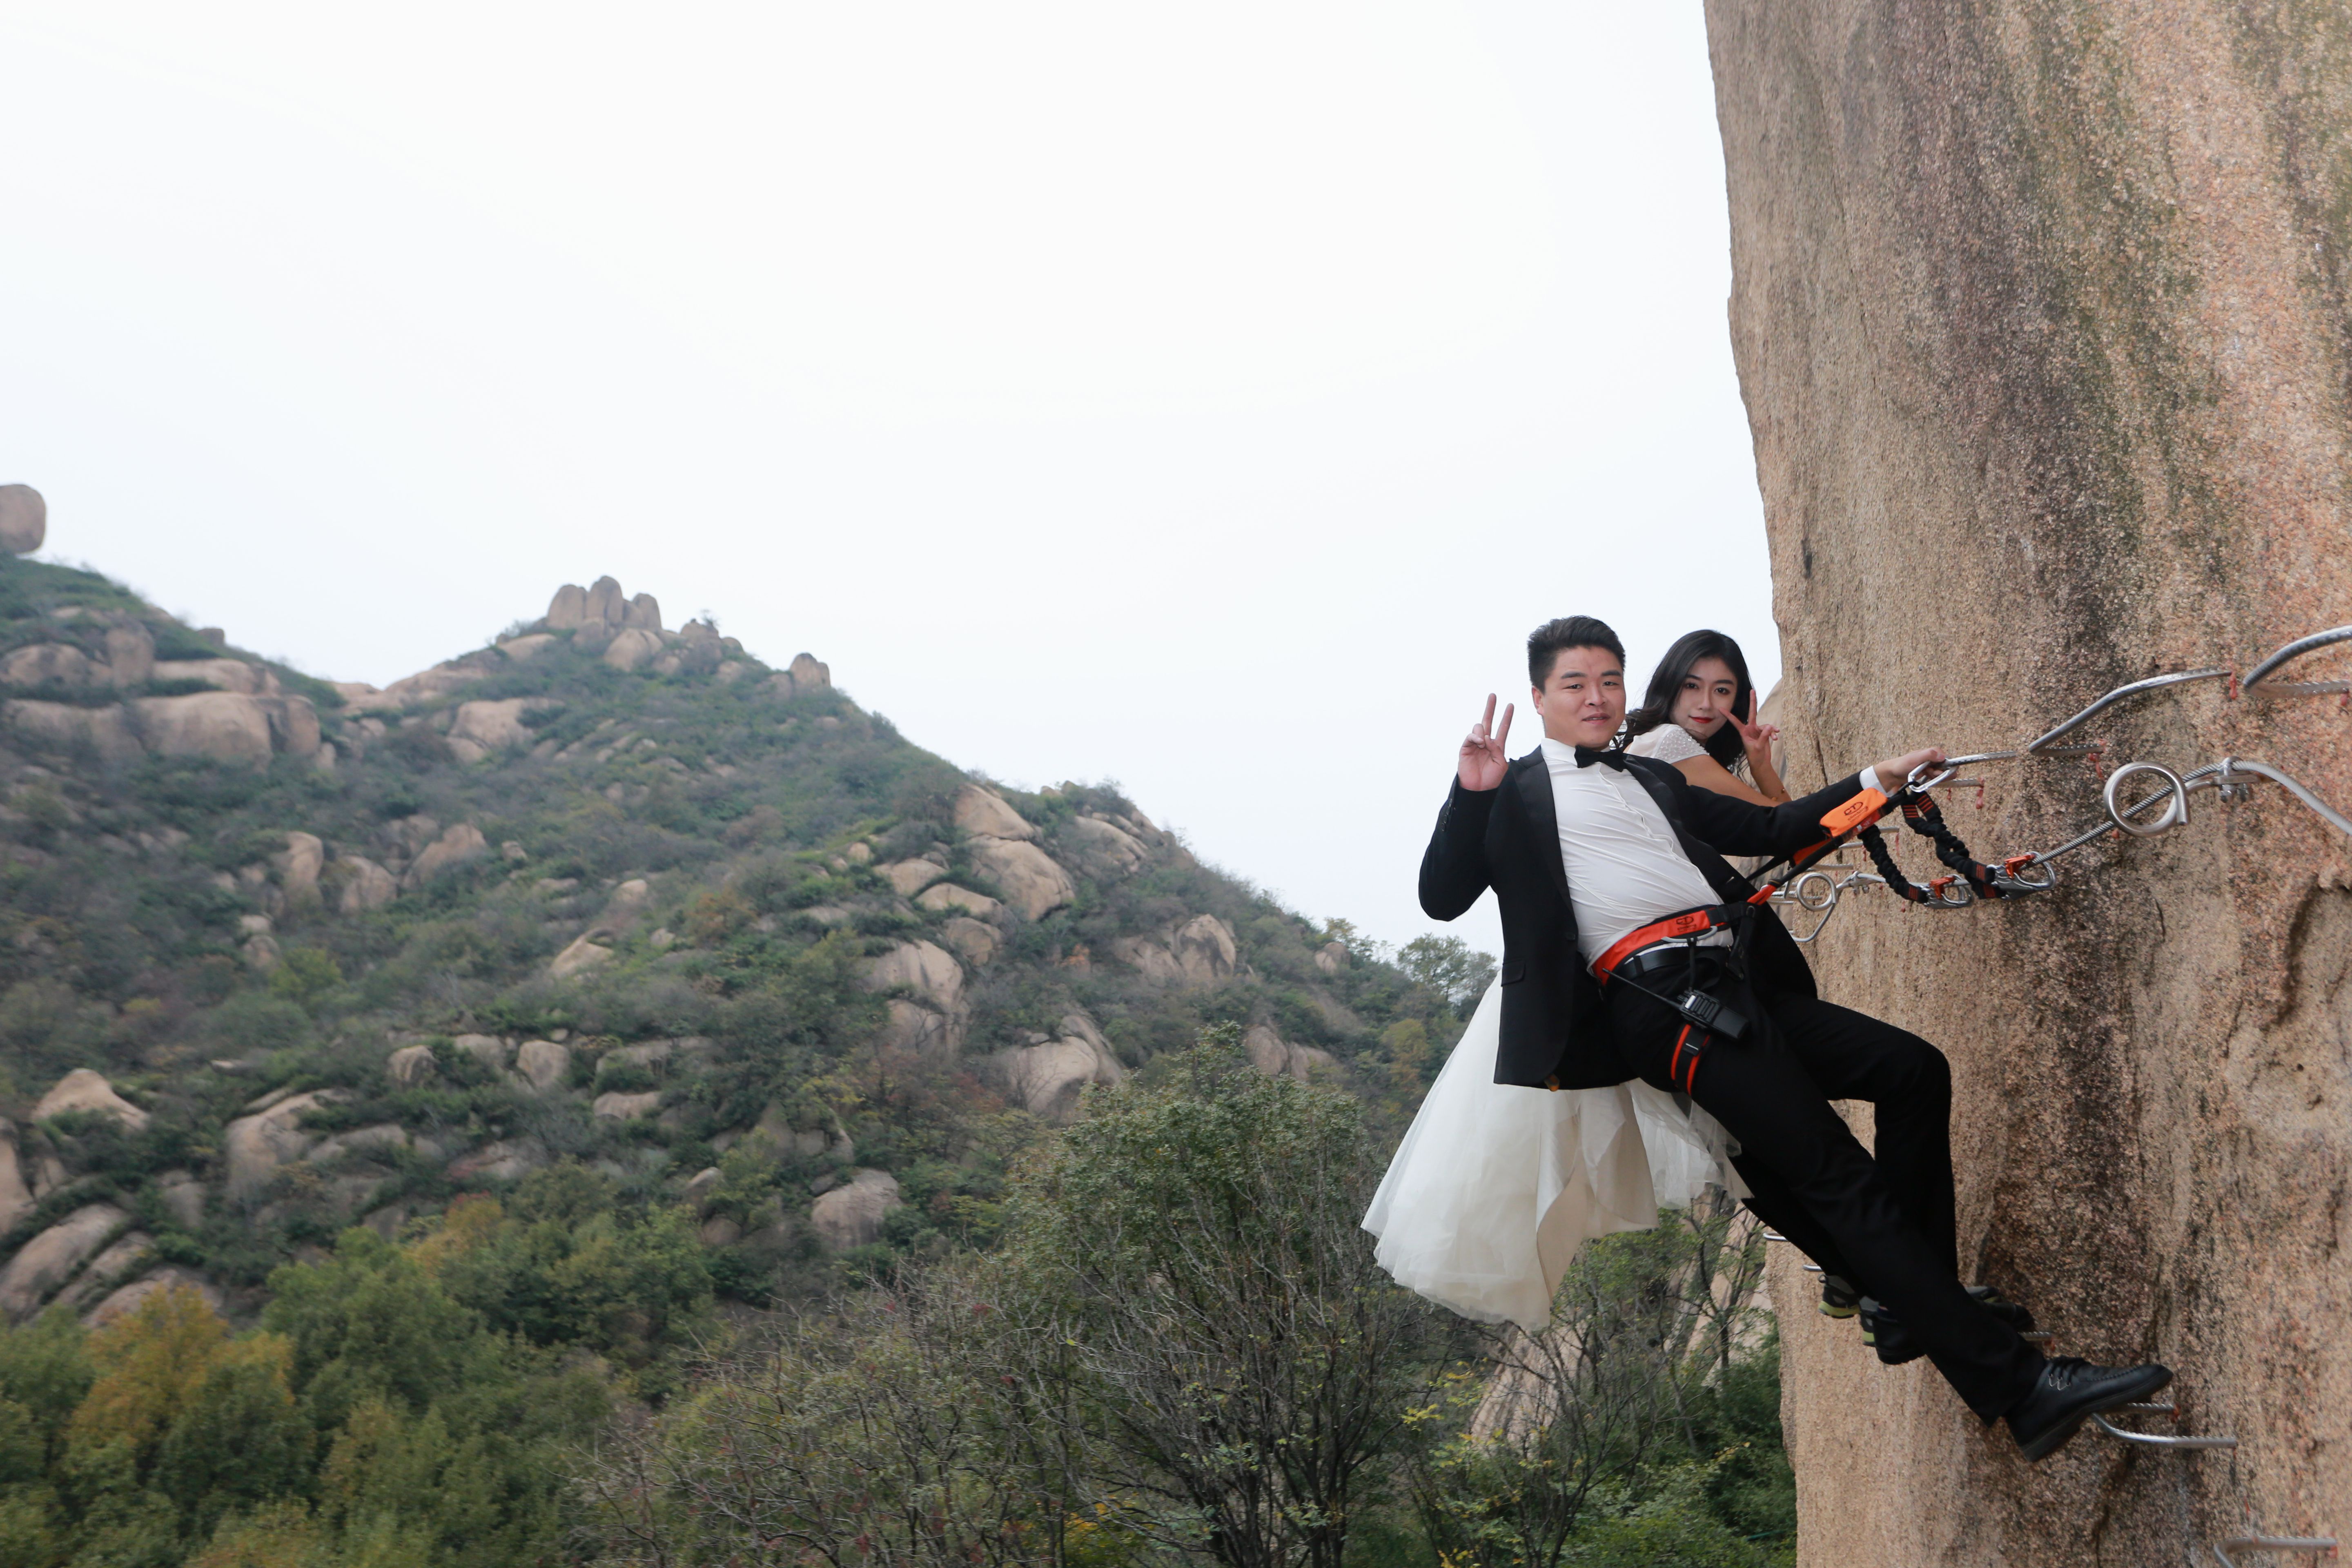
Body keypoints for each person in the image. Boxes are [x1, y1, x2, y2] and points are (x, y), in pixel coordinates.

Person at [1399, 614, 2169, 1462]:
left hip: (1735, 986)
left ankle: (1918, 1297)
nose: (1596, 697)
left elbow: (1774, 830)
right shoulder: (1514, 791)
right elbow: (1441, 897)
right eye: (1575, 684)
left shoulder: (1648, 780)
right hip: (1664, 1003)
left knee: (1913, 1070)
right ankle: (2020, 1389)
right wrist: (1468, 792)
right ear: (1540, 696)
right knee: (1834, 1172)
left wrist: (1877, 780)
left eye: (1609, 681)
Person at [1621, 629, 1790, 806]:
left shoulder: (1693, 755)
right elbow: (1787, 821)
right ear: (1669, 685)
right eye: (1692, 686)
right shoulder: (1667, 740)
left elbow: (1785, 824)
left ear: (1736, 701)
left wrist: (1761, 765)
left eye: (1721, 690)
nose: (1706, 704)